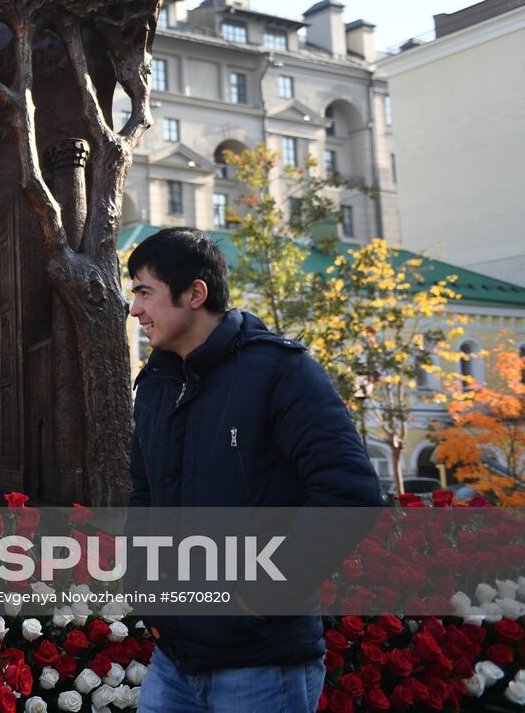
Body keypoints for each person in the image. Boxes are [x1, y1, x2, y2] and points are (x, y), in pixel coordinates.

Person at [126, 228, 381, 713]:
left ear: (195, 293)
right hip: (173, 658)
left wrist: (264, 593)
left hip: (261, 664)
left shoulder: (282, 371)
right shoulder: (157, 384)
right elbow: (145, 495)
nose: (135, 309)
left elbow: (348, 494)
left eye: (144, 292)